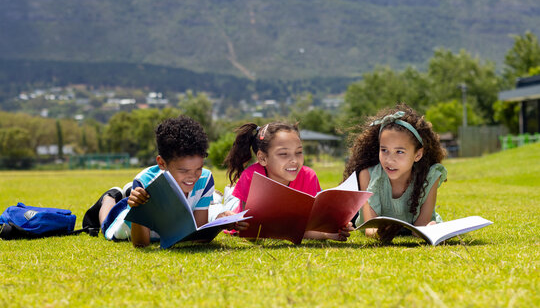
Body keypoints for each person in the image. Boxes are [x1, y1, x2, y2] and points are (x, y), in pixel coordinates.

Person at [83, 115, 215, 248]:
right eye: (184, 171)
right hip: (128, 227)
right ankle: (110, 197)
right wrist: (137, 208)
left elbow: (200, 235)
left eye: (198, 168)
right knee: (106, 223)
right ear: (162, 163)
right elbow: (141, 243)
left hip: (166, 227)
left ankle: (129, 194)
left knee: (134, 196)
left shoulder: (205, 179)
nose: (193, 177)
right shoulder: (145, 181)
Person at [220, 121, 353, 241]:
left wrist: (329, 232)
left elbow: (306, 227)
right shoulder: (251, 176)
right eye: (283, 154)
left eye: (299, 152)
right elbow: (253, 233)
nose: (294, 160)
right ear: (262, 158)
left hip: (277, 226)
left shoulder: (309, 176)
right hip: (235, 208)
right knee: (226, 208)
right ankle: (223, 194)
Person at [343, 104, 447, 243]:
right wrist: (381, 233)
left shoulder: (430, 176)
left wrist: (429, 229)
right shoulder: (367, 175)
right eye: (384, 150)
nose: (389, 160)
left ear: (418, 154)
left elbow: (420, 228)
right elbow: (370, 229)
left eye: (399, 152)